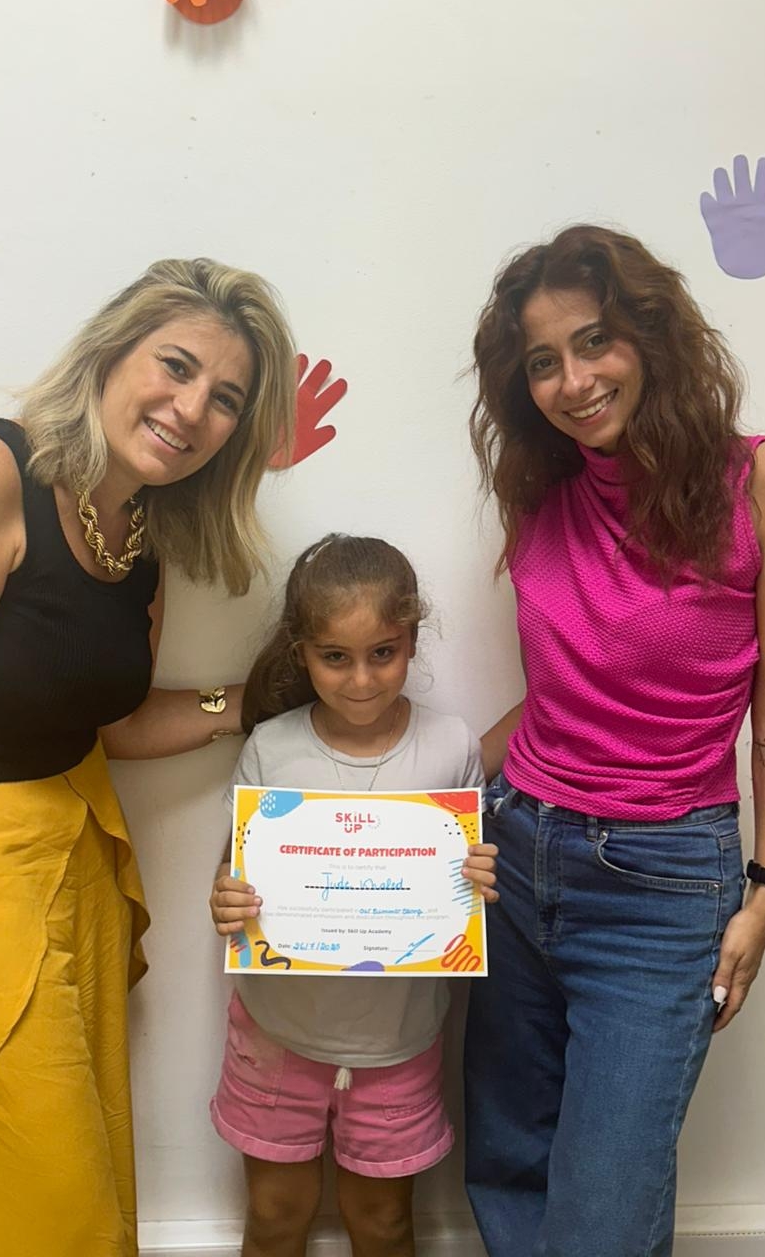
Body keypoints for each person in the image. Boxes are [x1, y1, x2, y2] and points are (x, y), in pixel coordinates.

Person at [0, 257, 299, 1257]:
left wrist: (257, 701)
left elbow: (108, 719)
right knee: (34, 1204)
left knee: (79, 1189)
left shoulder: (137, 533)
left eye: (226, 398)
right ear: (112, 350)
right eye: (177, 365)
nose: (191, 408)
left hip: (71, 860)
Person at [463, 224, 765, 1257]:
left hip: (659, 883)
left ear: (653, 335)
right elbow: (556, 695)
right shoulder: (543, 489)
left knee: (604, 1215)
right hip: (513, 852)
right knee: (505, 1165)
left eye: (595, 341)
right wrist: (408, 793)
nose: (573, 381)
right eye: (543, 361)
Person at [208, 533, 499, 1257]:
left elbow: (465, 892)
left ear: (412, 642)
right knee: (275, 1215)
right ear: (302, 652)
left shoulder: (451, 745)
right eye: (335, 656)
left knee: (384, 1222)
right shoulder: (272, 747)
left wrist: (480, 882)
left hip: (397, 1041)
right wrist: (225, 901)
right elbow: (233, 876)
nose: (362, 679)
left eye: (384, 653)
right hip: (277, 1035)